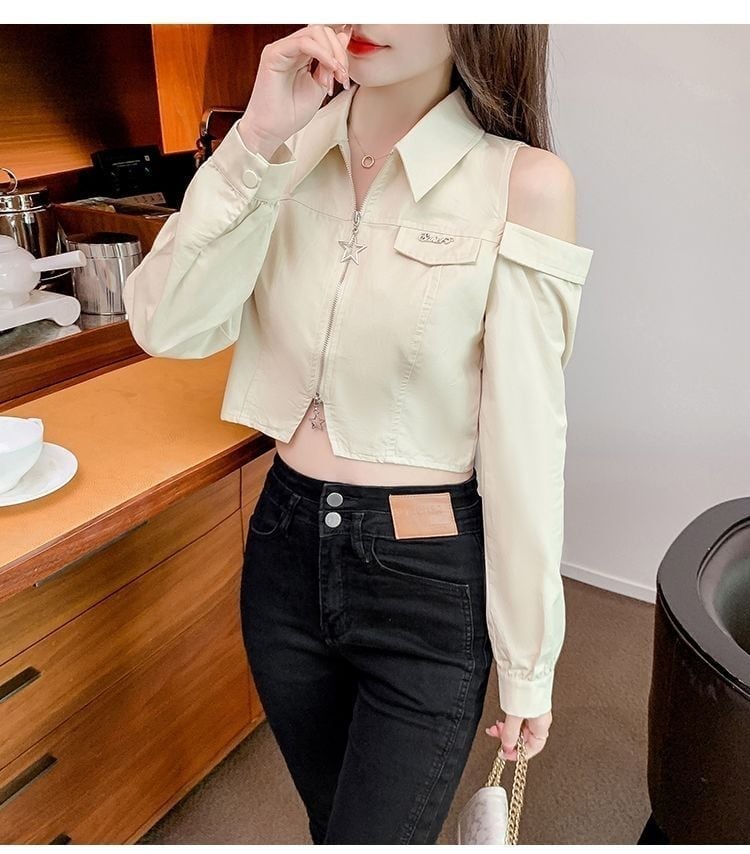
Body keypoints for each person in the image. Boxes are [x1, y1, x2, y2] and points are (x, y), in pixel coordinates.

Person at [122, 23, 594, 844]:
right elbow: (166, 323)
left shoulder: (524, 183)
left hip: (425, 572)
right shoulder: (285, 149)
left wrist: (528, 661)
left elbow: (525, 440)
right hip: (284, 552)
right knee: (332, 824)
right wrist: (255, 138)